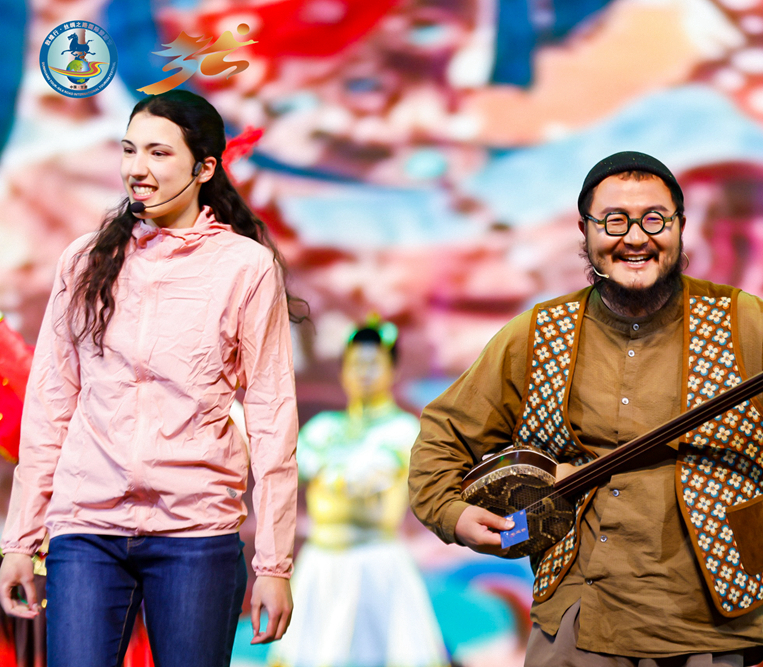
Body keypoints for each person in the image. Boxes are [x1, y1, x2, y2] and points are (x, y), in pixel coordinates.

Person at [408, 151, 763, 666]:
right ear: (585, 231)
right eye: (614, 221)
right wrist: (452, 513)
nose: (635, 238)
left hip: (710, 625)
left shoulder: (745, 321)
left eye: (654, 219)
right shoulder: (539, 333)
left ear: (680, 227)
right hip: (578, 617)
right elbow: (445, 432)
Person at [0, 90, 300, 667]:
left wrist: (274, 565)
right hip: (86, 528)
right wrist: (20, 540)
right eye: (129, 149)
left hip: (196, 533)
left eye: (159, 153)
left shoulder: (244, 267)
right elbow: (49, 405)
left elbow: (272, 419)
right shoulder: (85, 261)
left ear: (204, 168)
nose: (137, 168)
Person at [269, 320, 447, 667]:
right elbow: (288, 471)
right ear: (343, 371)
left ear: (393, 371)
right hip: (321, 565)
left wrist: (327, 468)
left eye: (373, 363)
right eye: (356, 363)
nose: (363, 372)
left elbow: (363, 479)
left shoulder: (404, 429)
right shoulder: (323, 428)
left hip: (375, 564)